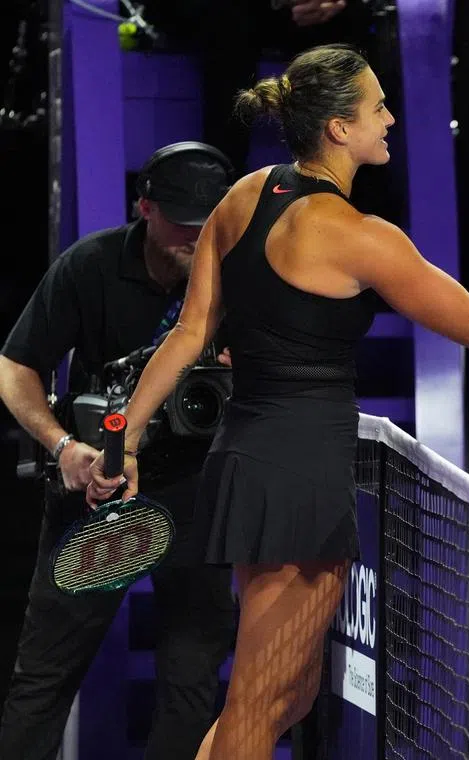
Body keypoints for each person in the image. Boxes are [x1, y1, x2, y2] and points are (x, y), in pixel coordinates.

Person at [86, 43, 469, 759]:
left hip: (249, 461)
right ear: (338, 130)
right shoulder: (358, 238)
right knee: (256, 708)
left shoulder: (243, 197)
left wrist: (126, 436)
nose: (391, 118)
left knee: (285, 694)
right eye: (378, 107)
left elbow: (190, 333)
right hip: (298, 477)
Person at [0, 142, 237, 760]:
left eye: (207, 221)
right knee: (45, 676)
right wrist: (63, 445)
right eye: (181, 220)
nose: (194, 235)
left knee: (191, 676)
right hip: (98, 491)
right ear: (145, 207)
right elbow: (15, 365)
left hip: (193, 491)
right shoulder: (91, 266)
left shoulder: (236, 277)